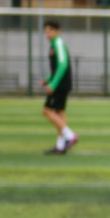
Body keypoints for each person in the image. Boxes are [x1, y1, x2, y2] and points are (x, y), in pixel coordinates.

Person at [40, 20, 78, 155]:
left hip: (61, 84)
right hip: (62, 82)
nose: (47, 33)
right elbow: (58, 67)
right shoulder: (54, 44)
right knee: (59, 113)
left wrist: (53, 84)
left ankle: (70, 135)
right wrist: (48, 79)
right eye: (46, 30)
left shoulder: (58, 43)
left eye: (50, 30)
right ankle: (61, 146)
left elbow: (63, 65)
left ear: (57, 31)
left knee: (46, 110)